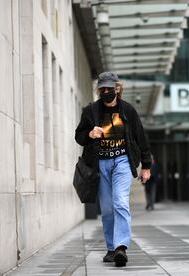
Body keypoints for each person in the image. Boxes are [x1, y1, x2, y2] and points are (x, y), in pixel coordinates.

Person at [74, 71, 151, 267]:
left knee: (120, 202)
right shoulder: (91, 111)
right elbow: (79, 136)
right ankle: (111, 248)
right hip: (101, 164)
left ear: (117, 88)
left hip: (122, 162)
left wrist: (146, 166)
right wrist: (90, 133)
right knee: (107, 209)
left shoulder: (128, 110)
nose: (106, 92)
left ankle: (121, 247)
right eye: (102, 89)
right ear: (99, 90)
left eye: (109, 88)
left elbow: (141, 138)